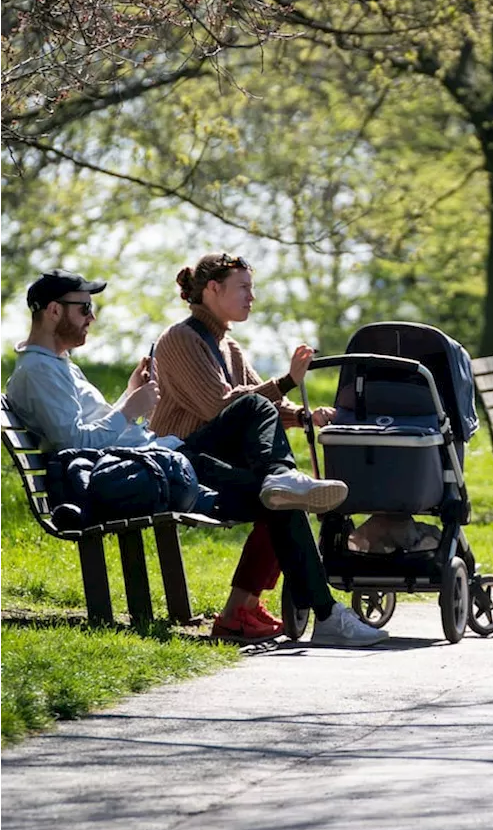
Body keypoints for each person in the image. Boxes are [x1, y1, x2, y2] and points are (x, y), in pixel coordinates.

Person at [4, 269, 387, 648]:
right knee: (269, 462)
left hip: (159, 461)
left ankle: (315, 594)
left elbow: (92, 433)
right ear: (54, 311)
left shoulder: (59, 365)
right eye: (84, 307)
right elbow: (76, 443)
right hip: (151, 470)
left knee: (276, 482)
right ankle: (323, 612)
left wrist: (129, 395)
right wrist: (128, 409)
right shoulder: (38, 371)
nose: (92, 316)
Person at [150, 253, 336, 642]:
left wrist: (305, 416)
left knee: (282, 498)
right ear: (213, 289)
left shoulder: (229, 347)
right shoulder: (179, 340)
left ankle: (240, 611)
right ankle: (326, 614)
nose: (252, 297)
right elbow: (224, 405)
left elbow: (261, 406)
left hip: (212, 461)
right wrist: (286, 380)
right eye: (244, 287)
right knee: (278, 481)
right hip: (180, 462)